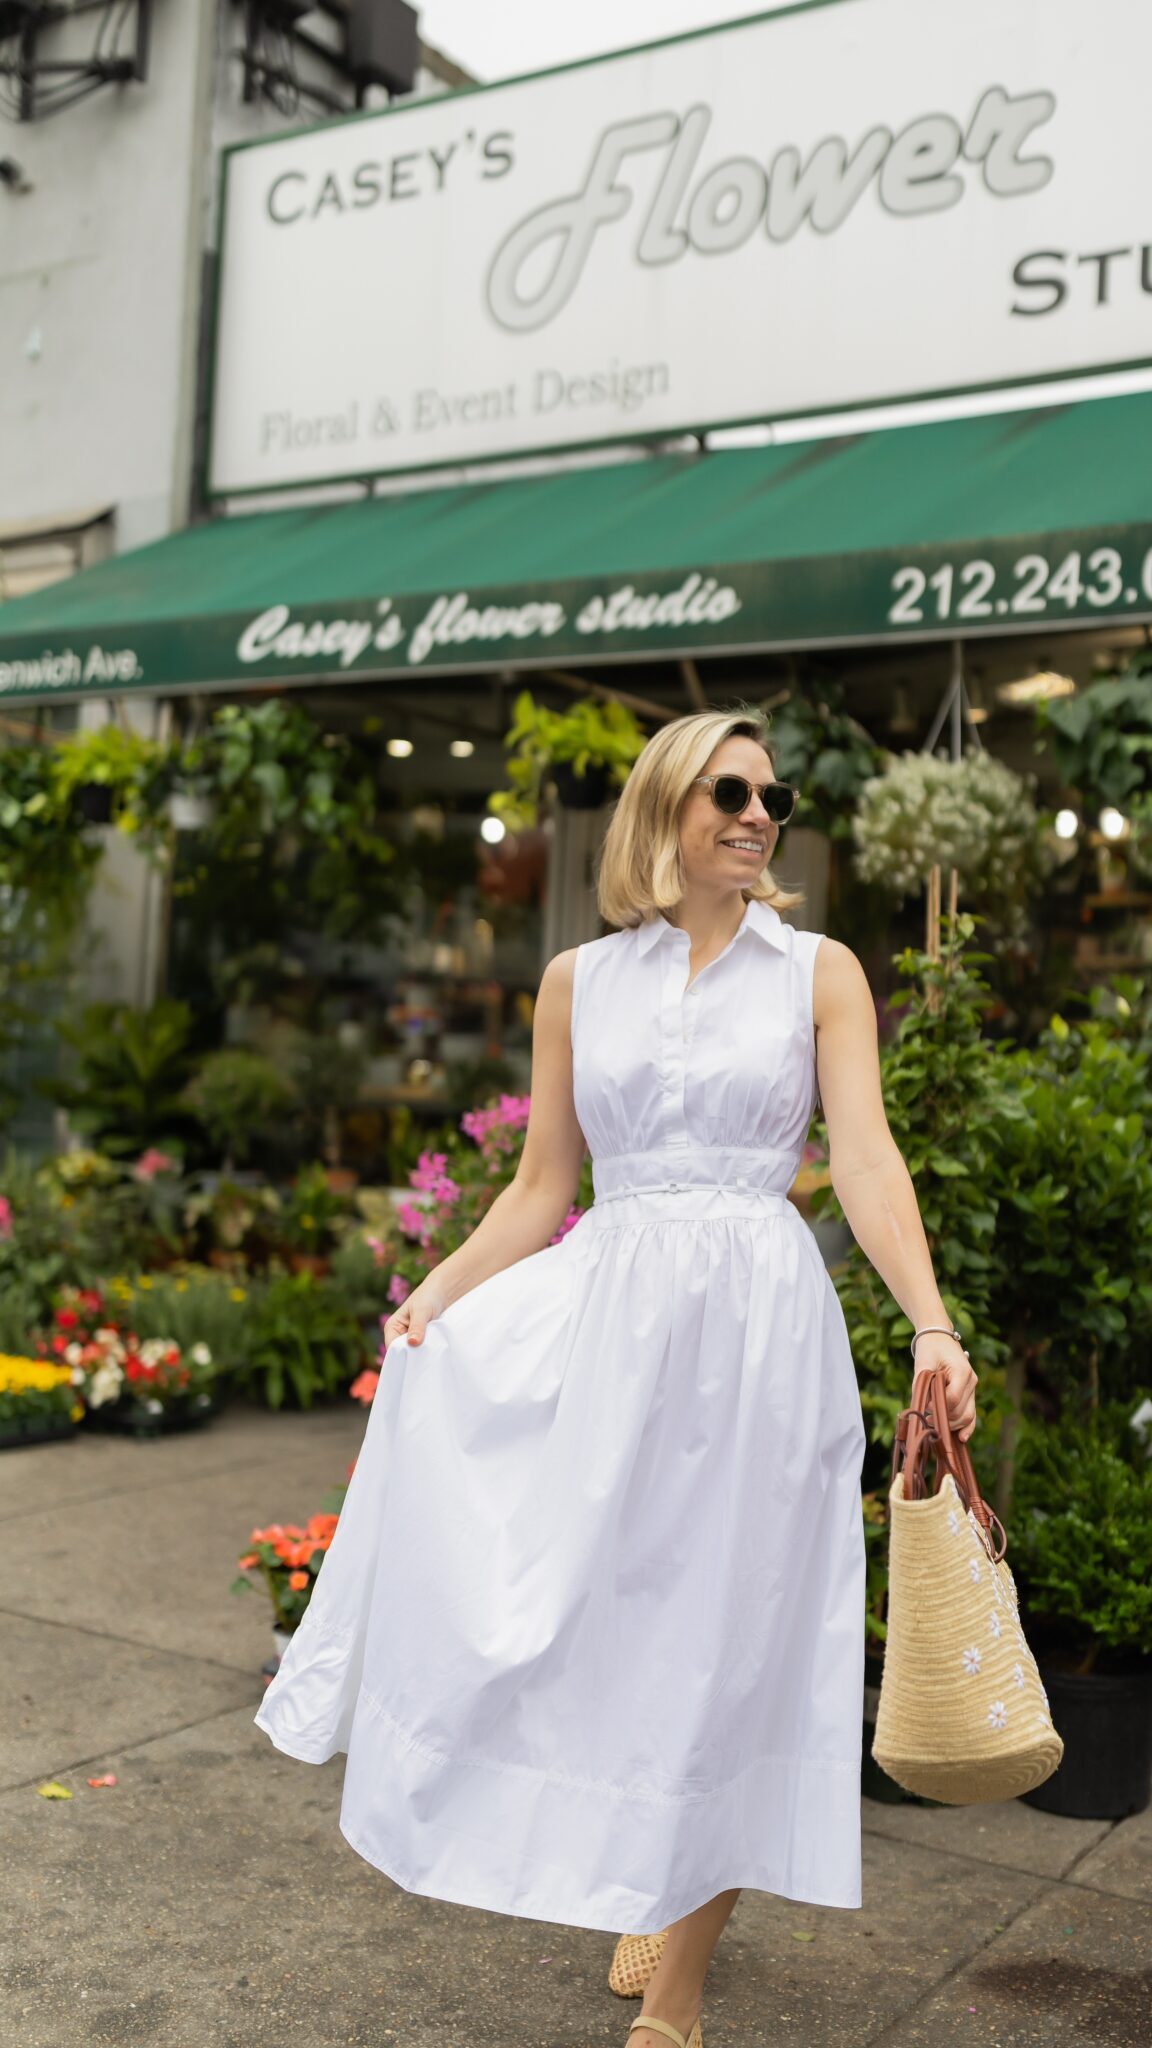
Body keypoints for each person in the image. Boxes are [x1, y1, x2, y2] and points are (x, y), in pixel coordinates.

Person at [253, 703, 978, 2048]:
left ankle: (684, 1985)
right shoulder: (577, 983)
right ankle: (648, 1864)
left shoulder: (818, 972)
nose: (761, 815)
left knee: (736, 1644)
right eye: (729, 794)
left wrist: (931, 1326)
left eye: (771, 796)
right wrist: (437, 1297)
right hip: (612, 1328)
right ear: (661, 813)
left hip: (761, 1339)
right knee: (613, 1625)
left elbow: (867, 1161)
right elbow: (542, 1189)